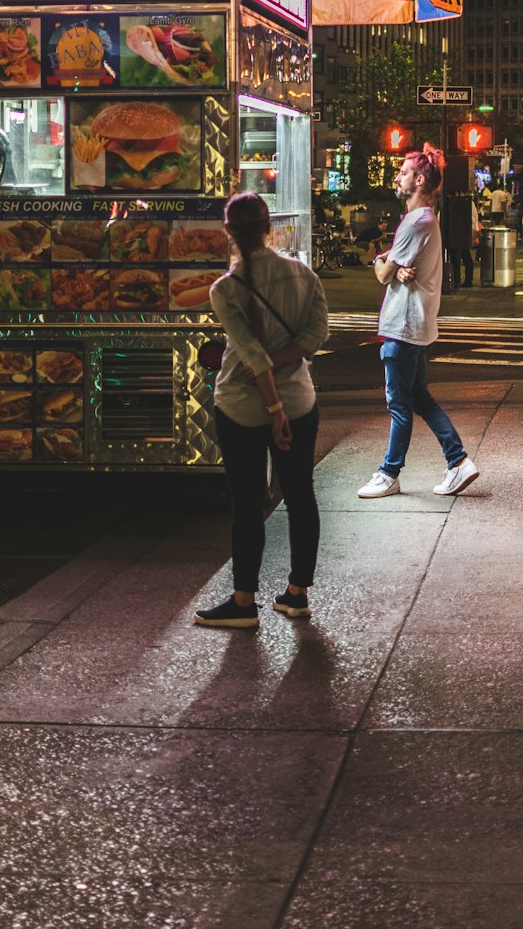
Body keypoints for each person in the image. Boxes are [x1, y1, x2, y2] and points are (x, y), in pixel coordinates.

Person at [196, 193, 329, 629]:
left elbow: (252, 355)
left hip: (241, 408)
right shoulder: (303, 276)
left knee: (248, 503)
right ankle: (297, 594)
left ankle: (243, 601)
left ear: (228, 233)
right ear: (269, 227)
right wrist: (284, 394)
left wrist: (272, 407)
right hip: (301, 401)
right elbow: (315, 335)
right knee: (300, 495)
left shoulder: (225, 290)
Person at [358, 146, 480, 500]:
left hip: (403, 326)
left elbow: (382, 275)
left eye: (403, 171)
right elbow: (391, 268)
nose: (398, 176)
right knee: (420, 398)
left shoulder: (416, 222)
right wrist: (392, 263)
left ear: (420, 179)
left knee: (399, 403)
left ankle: (389, 473)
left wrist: (384, 261)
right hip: (414, 325)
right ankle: (458, 462)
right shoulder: (423, 220)